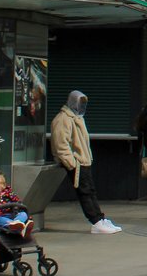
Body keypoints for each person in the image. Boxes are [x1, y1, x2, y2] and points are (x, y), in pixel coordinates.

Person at [51, 90, 122, 234]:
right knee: (85, 192)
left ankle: (100, 219)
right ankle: (96, 221)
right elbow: (61, 144)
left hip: (83, 162)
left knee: (90, 191)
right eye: (80, 103)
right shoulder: (63, 119)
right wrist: (72, 163)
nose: (82, 106)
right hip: (78, 163)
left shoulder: (76, 118)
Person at [0, 169, 33, 237]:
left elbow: (18, 202)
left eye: (2, 183)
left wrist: (23, 211)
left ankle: (17, 224)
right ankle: (19, 227)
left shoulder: (9, 193)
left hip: (11, 214)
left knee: (23, 214)